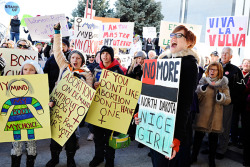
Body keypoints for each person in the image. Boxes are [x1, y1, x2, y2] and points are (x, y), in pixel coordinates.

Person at [136, 25, 199, 167]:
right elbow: (152, 94)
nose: (173, 38)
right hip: (156, 126)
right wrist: (142, 112)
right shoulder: (164, 62)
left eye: (178, 35)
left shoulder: (189, 64)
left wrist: (178, 137)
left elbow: (185, 103)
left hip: (172, 129)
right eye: (172, 35)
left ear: (189, 42)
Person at [45, 23, 92, 167]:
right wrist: (57, 32)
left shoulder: (87, 74)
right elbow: (58, 51)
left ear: (82, 61)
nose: (75, 60)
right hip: (58, 106)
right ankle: (55, 158)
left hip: (73, 111)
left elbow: (88, 92)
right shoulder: (64, 67)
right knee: (55, 137)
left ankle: (70, 159)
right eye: (73, 57)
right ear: (69, 58)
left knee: (71, 138)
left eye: (78, 58)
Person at [191, 62, 231, 167]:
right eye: (211, 69)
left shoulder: (223, 83)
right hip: (202, 116)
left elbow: (228, 100)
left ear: (219, 71)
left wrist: (221, 97)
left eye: (215, 69)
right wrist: (201, 90)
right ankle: (193, 157)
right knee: (197, 139)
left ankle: (211, 160)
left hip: (215, 118)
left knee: (213, 141)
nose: (212, 71)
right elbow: (196, 95)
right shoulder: (203, 80)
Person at [89, 46, 123, 167]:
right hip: (98, 108)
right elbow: (89, 86)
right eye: (103, 53)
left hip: (111, 109)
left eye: (107, 53)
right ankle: (98, 156)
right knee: (97, 136)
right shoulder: (96, 69)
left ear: (111, 56)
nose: (105, 56)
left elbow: (123, 90)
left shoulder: (118, 70)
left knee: (110, 137)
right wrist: (94, 85)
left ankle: (110, 159)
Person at [9, 60, 44, 167]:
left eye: (31, 70)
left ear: (36, 72)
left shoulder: (40, 86)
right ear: (21, 71)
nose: (28, 72)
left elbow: (42, 101)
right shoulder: (13, 84)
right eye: (25, 69)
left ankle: (30, 164)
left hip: (31, 121)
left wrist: (48, 104)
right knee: (16, 146)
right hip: (16, 121)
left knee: (31, 146)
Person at [216, 47, 244, 160]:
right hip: (212, 102)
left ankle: (222, 149)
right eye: (222, 53)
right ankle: (212, 146)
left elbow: (240, 88)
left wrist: (231, 99)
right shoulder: (213, 66)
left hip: (227, 103)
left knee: (224, 127)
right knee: (212, 125)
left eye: (227, 53)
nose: (224, 55)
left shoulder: (235, 70)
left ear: (231, 56)